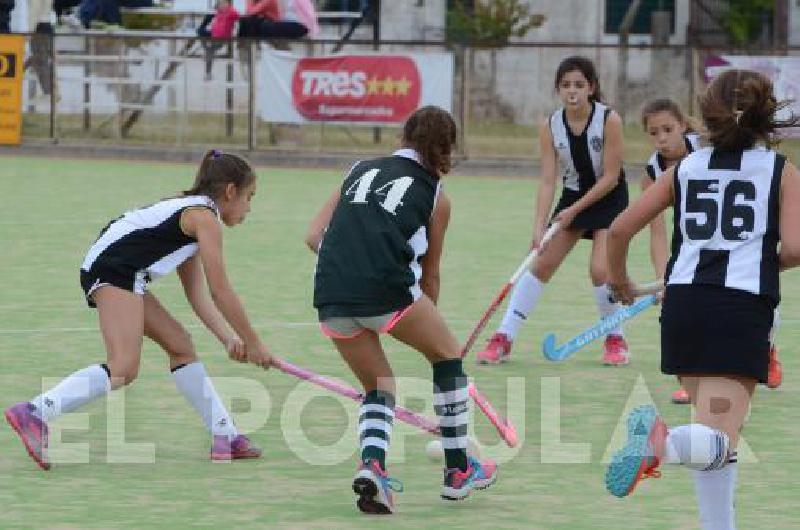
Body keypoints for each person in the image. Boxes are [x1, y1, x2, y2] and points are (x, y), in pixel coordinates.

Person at [604, 69, 800, 530]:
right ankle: (660, 441)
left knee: (716, 441)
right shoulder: (781, 170)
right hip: (739, 310)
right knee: (715, 440)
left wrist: (622, 283)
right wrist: (760, 259)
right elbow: (793, 249)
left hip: (684, 308)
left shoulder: (686, 168)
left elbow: (618, 229)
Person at [4, 150, 272, 471]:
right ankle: (35, 412)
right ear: (230, 191)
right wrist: (253, 342)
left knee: (181, 346)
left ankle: (225, 437)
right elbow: (221, 291)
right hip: (115, 271)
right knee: (123, 367)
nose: (249, 208)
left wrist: (229, 339)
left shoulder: (191, 216)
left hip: (121, 272)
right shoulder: (204, 219)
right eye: (249, 197)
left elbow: (198, 296)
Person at [306, 106, 498, 514]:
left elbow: (313, 236)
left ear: (403, 137)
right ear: (447, 150)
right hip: (385, 290)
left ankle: (373, 466)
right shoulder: (436, 197)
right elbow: (430, 278)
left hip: (331, 292)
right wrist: (435, 336)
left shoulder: (358, 168)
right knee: (447, 357)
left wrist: (351, 264)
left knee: (379, 387)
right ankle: (459, 471)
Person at [476, 55, 631, 366]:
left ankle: (615, 338)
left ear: (592, 88)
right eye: (565, 85)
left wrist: (574, 210)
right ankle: (504, 337)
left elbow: (612, 176)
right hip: (572, 197)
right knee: (541, 263)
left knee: (600, 270)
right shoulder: (550, 125)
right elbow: (548, 180)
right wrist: (538, 227)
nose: (571, 91)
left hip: (609, 198)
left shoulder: (609, 120)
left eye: (579, 85)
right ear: (558, 90)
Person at [641, 98, 783, 404]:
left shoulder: (706, 152)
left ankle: (768, 348)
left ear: (683, 126)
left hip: (739, 253)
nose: (662, 138)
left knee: (758, 290)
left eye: (668, 129)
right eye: (654, 133)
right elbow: (657, 230)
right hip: (696, 256)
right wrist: (665, 277)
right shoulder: (654, 169)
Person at [197, 0, 240, 81]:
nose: (221, 5)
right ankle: (206, 50)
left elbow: (239, 17)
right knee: (200, 31)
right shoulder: (219, 11)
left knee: (210, 51)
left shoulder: (231, 12)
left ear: (229, 4)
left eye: (223, 3)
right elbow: (213, 9)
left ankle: (208, 73)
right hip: (213, 34)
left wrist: (236, 34)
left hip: (222, 37)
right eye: (220, 3)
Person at [238, 0, 317, 40]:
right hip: (284, 23)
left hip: (300, 25)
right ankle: (245, 46)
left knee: (262, 26)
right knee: (246, 21)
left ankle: (249, 45)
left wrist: (312, 31)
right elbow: (249, 12)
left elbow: (310, 14)